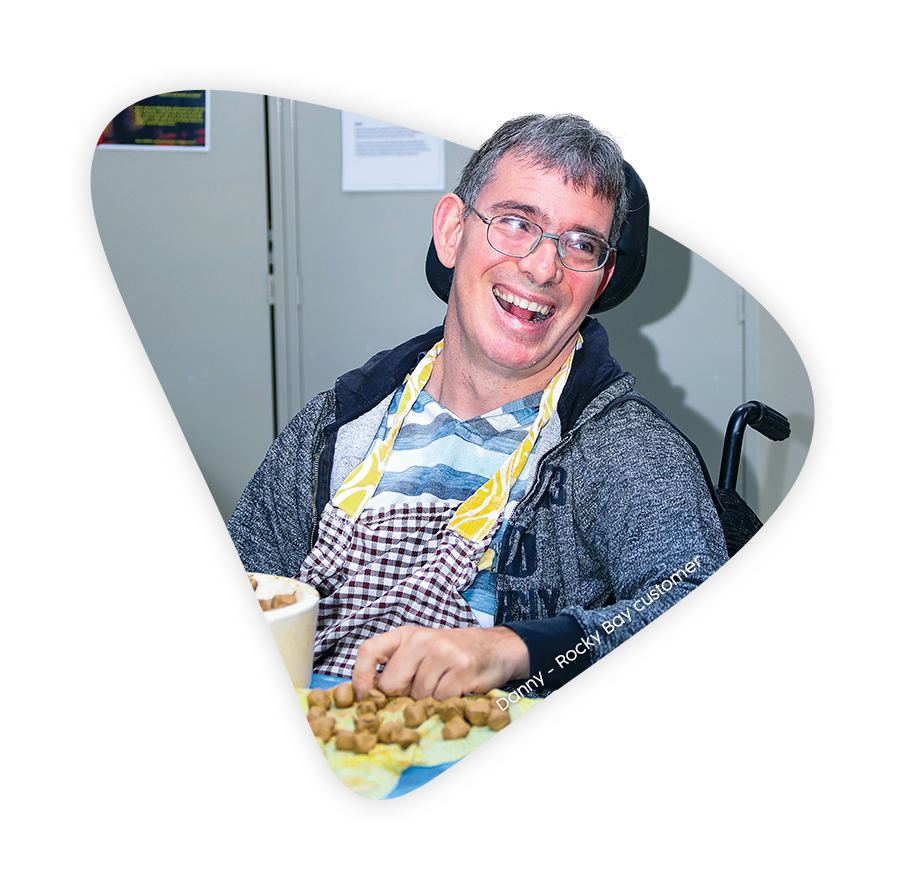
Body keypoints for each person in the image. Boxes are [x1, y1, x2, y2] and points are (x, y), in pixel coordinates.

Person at [228, 113, 728, 702]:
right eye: (517, 223)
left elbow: (682, 588)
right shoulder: (337, 425)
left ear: (603, 277)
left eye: (582, 244)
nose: (544, 268)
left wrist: (520, 649)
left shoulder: (627, 449)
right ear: (450, 231)